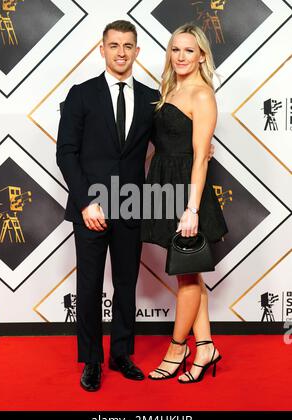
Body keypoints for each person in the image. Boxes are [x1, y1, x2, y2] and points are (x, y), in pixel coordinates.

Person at [56, 20, 161, 391]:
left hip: (132, 205)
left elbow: (169, 143)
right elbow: (66, 154)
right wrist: (87, 202)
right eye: (113, 45)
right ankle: (91, 360)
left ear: (137, 51)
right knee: (88, 286)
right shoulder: (81, 94)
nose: (120, 51)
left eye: (128, 45)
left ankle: (121, 352)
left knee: (126, 283)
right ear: (101, 49)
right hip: (91, 209)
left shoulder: (151, 98)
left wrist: (203, 145)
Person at [141, 23, 228, 383]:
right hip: (164, 182)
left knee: (187, 273)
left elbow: (199, 157)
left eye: (189, 50)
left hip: (186, 190)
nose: (181, 57)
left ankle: (178, 347)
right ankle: (205, 345)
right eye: (175, 49)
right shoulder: (169, 88)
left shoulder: (202, 94)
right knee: (188, 271)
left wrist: (191, 209)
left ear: (202, 55)